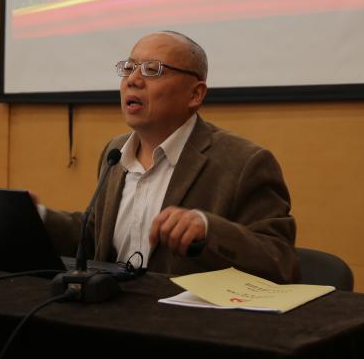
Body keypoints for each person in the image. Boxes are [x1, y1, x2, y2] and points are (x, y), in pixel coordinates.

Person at [41, 30, 300, 283]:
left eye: (152, 70)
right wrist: (38, 217)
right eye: (129, 68)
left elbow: (280, 261)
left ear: (195, 94)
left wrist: (209, 230)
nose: (133, 80)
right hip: (111, 306)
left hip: (183, 310)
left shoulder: (244, 162)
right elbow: (96, 236)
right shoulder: (115, 152)